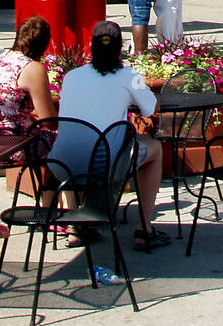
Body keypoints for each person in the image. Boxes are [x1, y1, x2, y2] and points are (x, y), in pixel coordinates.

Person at [50, 20, 169, 250]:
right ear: (119, 49)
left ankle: (76, 227)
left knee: (79, 144)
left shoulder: (72, 76)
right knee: (154, 148)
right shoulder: (129, 76)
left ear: (91, 47)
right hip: (104, 165)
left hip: (62, 165)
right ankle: (144, 229)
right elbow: (152, 109)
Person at [0, 15, 57, 136]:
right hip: (11, 142)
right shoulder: (32, 68)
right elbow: (49, 122)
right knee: (67, 138)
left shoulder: (2, 59)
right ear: (44, 46)